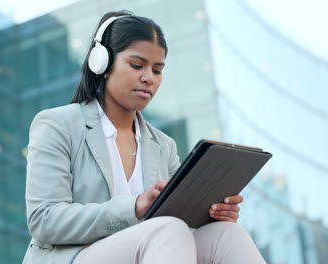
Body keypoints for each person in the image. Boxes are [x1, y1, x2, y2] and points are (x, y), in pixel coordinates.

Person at [22, 10, 266, 264]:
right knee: (166, 229)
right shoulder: (57, 124)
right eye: (137, 65)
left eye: (157, 70)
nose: (149, 78)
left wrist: (209, 214)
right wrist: (135, 206)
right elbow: (44, 219)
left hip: (148, 253)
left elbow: (183, 234)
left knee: (226, 234)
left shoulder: (163, 146)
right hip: (73, 258)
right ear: (102, 63)